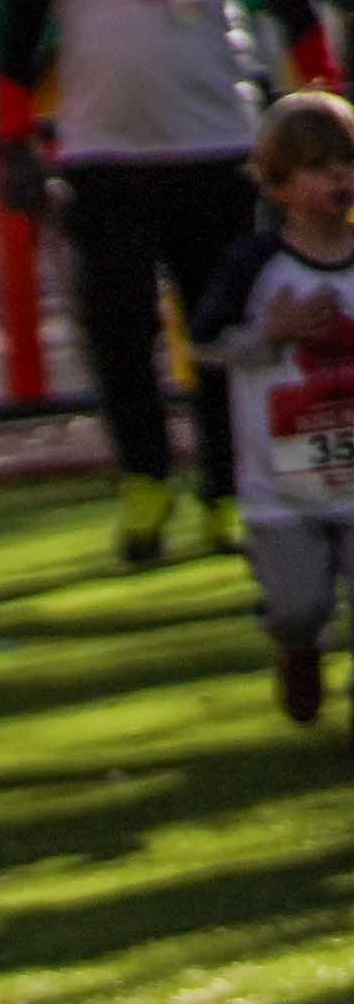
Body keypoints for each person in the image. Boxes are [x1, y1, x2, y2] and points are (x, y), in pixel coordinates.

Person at [0, 0, 337, 565]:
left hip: (219, 148)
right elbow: (13, 29)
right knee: (117, 336)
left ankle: (226, 495)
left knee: (221, 335)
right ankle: (146, 485)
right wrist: (12, 145)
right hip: (102, 153)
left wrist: (326, 130)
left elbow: (290, 0)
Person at [190, 89, 354, 727]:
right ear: (278, 186)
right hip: (280, 484)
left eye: (345, 161)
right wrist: (273, 335)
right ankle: (297, 650)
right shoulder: (256, 265)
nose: (337, 177)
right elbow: (202, 343)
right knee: (300, 606)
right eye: (318, 166)